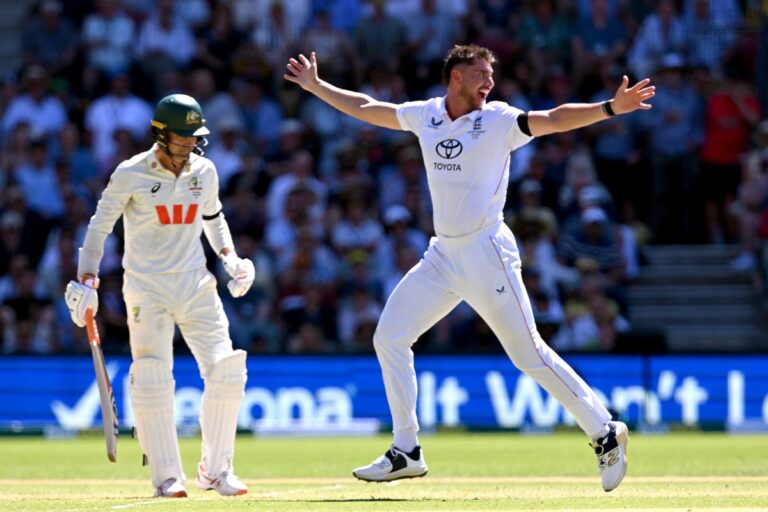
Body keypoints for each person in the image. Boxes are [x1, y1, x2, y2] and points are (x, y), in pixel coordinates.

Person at [284, 44, 654, 492]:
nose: (489, 82)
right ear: (455, 76)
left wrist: (610, 107)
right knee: (389, 337)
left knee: (528, 354)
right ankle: (406, 450)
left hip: (486, 252)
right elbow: (366, 107)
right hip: (443, 254)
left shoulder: (498, 120)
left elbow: (555, 118)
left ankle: (604, 430)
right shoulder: (425, 114)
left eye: (491, 75)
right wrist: (316, 86)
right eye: (481, 73)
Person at [64, 94, 255, 498]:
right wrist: (87, 278)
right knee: (151, 374)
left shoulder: (205, 170)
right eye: (183, 137)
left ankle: (217, 471)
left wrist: (230, 258)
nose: (190, 145)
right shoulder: (130, 172)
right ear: (161, 134)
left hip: (196, 283)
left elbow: (213, 217)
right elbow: (100, 226)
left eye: (194, 137)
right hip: (146, 287)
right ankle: (167, 477)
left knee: (227, 368)